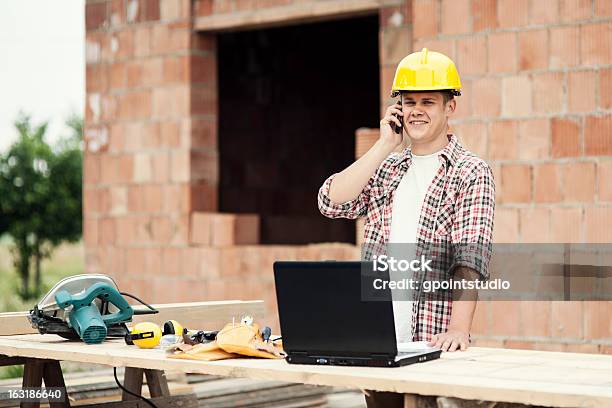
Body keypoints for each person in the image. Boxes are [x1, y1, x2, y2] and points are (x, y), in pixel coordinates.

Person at [317, 49, 495, 406]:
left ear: (450, 107)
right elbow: (330, 201)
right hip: (377, 344)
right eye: (408, 101)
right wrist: (384, 145)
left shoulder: (470, 173)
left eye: (428, 101)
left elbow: (469, 258)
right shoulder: (387, 168)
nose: (417, 110)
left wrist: (459, 329)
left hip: (430, 345)